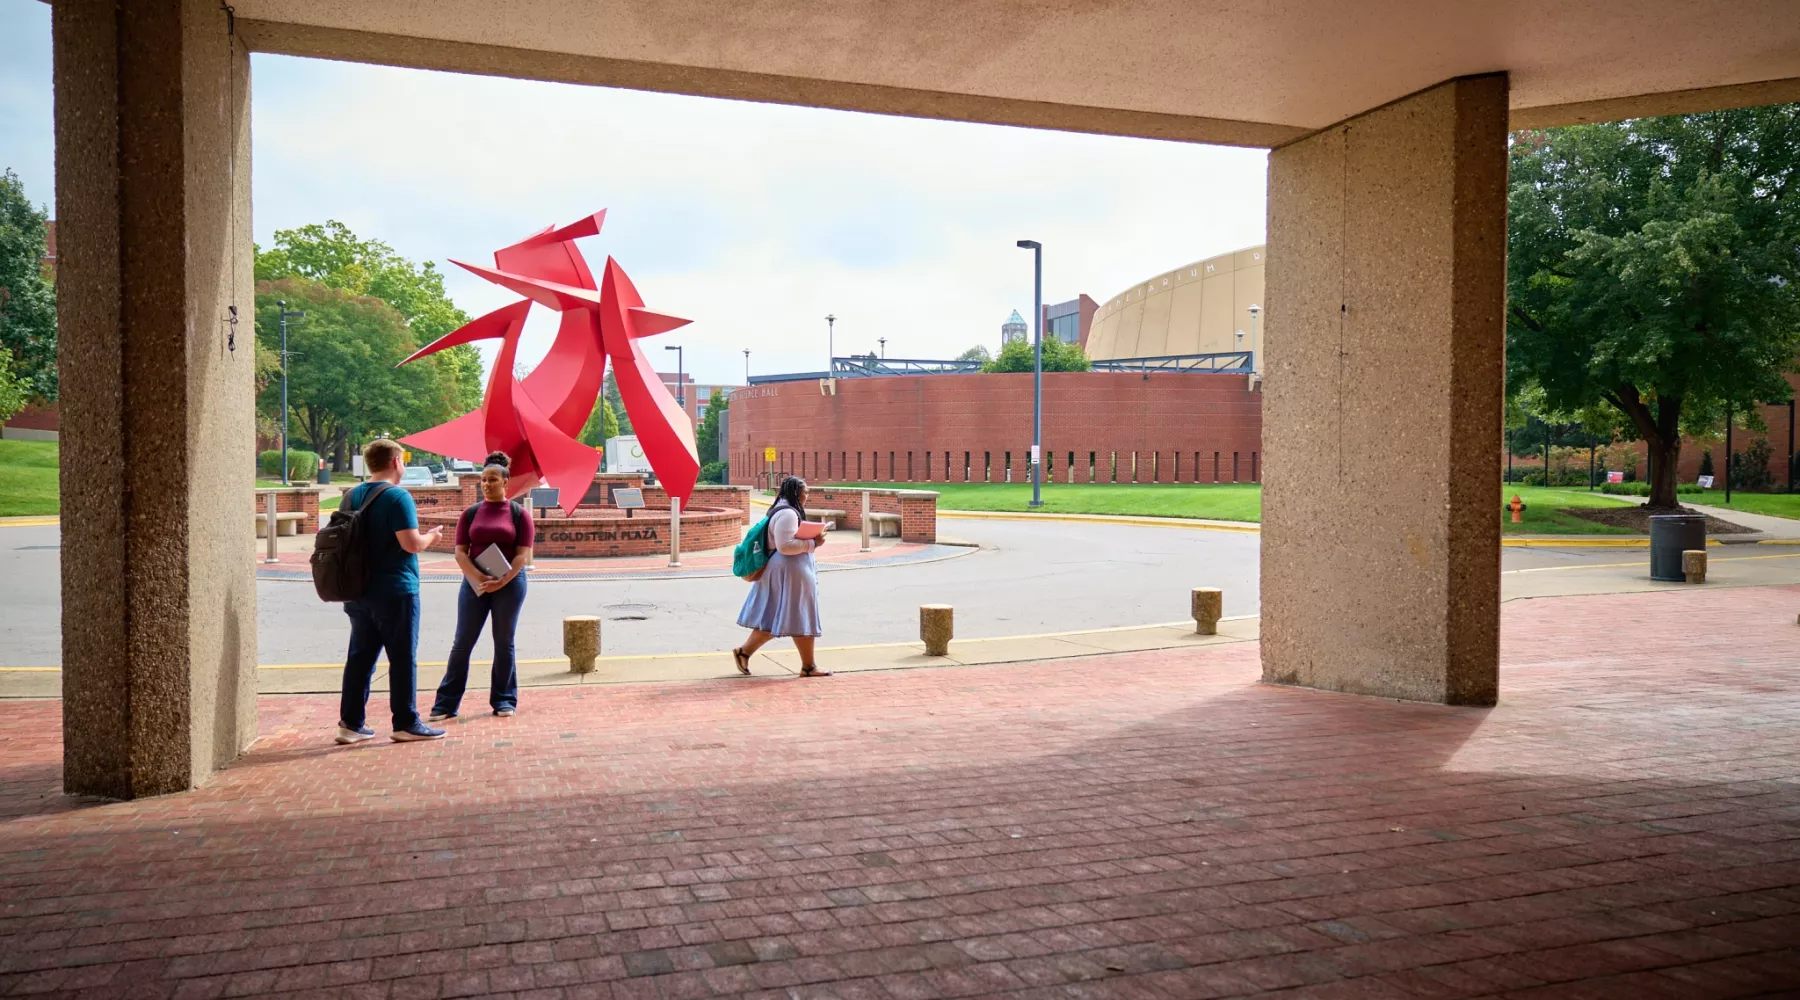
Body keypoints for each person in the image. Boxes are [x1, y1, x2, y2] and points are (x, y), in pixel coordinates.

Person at [336, 439, 447, 744]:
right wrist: (431, 538)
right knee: (402, 657)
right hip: (396, 589)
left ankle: (351, 723)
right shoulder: (398, 497)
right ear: (396, 461)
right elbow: (410, 544)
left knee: (360, 657)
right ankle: (405, 722)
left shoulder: (351, 496)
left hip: (357, 589)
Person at [430, 451, 535, 720]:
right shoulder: (470, 513)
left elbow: (523, 555)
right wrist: (478, 579)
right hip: (473, 584)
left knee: (503, 642)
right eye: (483, 480)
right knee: (462, 642)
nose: (487, 485)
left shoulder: (519, 514)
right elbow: (460, 552)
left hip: (509, 584)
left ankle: (503, 699)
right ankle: (445, 704)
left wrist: (503, 580)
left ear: (506, 483)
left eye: (492, 480)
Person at [734, 475, 830, 677]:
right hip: (789, 573)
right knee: (800, 615)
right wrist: (814, 543)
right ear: (796, 492)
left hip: (787, 571)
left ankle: (744, 652)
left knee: (778, 616)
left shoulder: (783, 509)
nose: (807, 496)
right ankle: (808, 667)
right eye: (805, 492)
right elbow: (785, 546)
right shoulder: (788, 514)